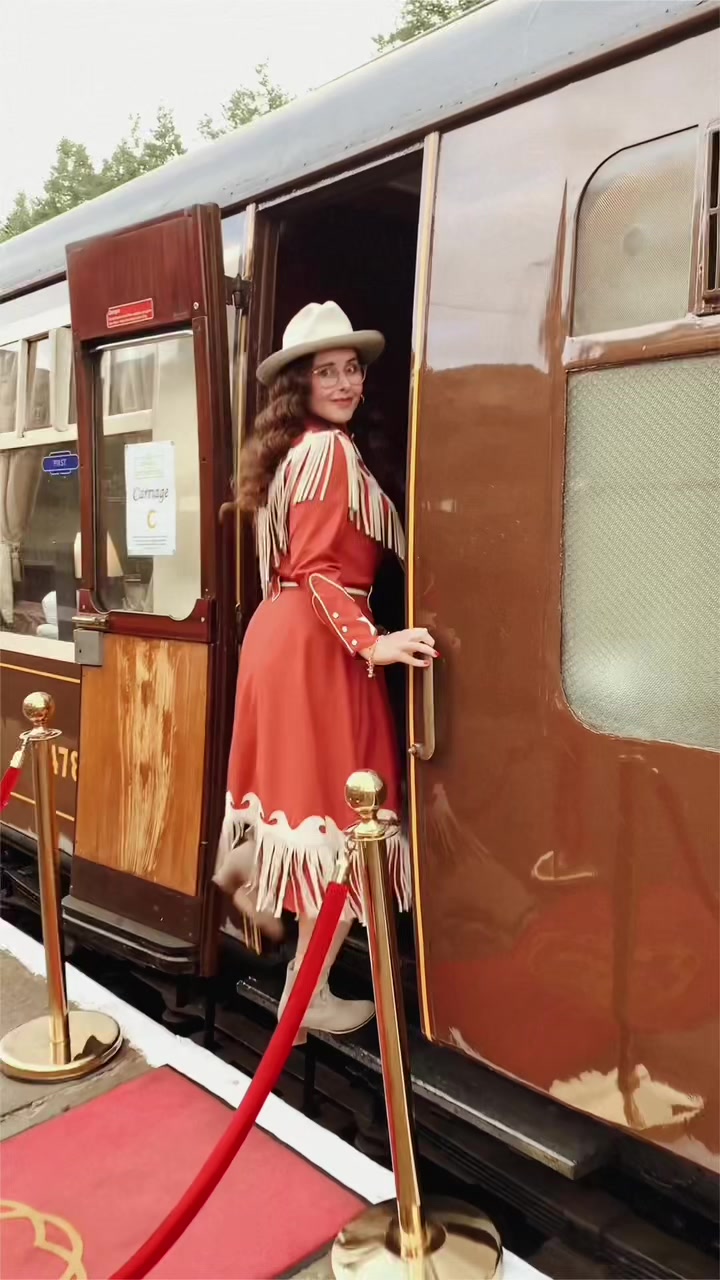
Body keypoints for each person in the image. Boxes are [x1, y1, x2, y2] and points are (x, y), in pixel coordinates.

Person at [214, 301, 436, 1037]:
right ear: (300, 384)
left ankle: (276, 938)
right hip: (317, 647)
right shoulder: (331, 452)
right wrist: (372, 642)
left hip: (284, 640)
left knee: (307, 817)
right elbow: (317, 569)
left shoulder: (293, 450)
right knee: (346, 829)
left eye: (352, 370)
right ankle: (306, 996)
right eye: (327, 372)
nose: (345, 383)